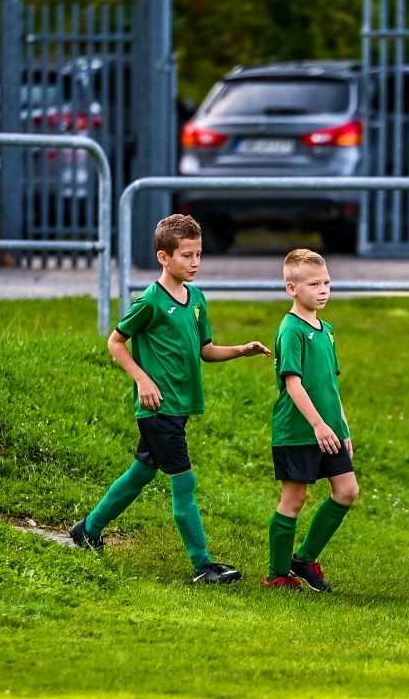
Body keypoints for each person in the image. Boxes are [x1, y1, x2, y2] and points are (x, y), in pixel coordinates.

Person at [69, 213, 269, 583]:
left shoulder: (196, 299)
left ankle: (89, 529)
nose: (195, 263)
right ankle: (202, 565)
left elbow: (205, 350)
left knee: (140, 473)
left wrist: (242, 350)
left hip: (180, 406)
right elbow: (116, 342)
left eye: (198, 255)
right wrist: (143, 380)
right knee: (184, 483)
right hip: (157, 408)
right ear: (164, 257)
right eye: (186, 256)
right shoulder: (151, 301)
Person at [265, 249, 358, 593]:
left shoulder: (327, 329)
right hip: (297, 431)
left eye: (327, 283)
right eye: (314, 284)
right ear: (292, 288)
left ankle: (304, 559)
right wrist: (318, 425)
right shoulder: (291, 330)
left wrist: (340, 427)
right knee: (295, 499)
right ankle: (277, 574)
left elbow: (331, 386)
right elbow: (294, 384)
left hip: (330, 430)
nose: (323, 290)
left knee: (347, 491)